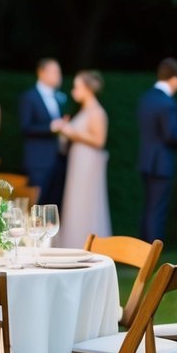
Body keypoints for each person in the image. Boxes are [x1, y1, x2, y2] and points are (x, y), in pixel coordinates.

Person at [58, 70, 111, 247]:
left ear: (88, 89)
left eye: (77, 87)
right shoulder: (84, 110)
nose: (74, 91)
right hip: (78, 160)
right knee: (75, 201)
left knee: (86, 201)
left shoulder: (96, 112)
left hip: (88, 162)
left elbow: (99, 140)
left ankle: (89, 244)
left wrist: (71, 132)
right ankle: (74, 242)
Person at [137, 57, 177, 244]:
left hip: (146, 160)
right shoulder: (168, 103)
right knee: (157, 209)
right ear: (174, 79)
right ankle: (152, 251)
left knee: (149, 207)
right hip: (162, 162)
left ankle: (141, 249)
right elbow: (171, 135)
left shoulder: (145, 98)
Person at [19, 58, 68, 205]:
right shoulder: (29, 97)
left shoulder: (60, 97)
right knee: (36, 204)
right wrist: (51, 127)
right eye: (55, 72)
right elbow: (25, 127)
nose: (59, 76)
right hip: (38, 161)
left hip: (59, 159)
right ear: (41, 72)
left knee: (54, 205)